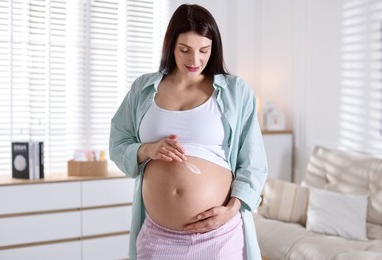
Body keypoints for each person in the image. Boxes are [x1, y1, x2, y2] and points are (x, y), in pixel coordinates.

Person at [110, 4, 268, 260]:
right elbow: (118, 143)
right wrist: (148, 149)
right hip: (158, 237)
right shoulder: (143, 88)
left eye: (204, 50)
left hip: (219, 234)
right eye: (185, 50)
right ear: (171, 46)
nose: (194, 60)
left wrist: (231, 210)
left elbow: (253, 163)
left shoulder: (235, 91)